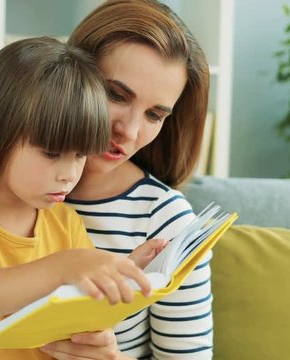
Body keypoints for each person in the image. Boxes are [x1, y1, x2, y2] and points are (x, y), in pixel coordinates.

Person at [0, 36, 167, 360]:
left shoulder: (65, 223)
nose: (68, 174)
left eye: (80, 155)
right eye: (51, 153)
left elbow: (75, 311)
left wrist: (120, 275)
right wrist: (68, 265)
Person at [39, 1, 212, 359]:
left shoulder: (167, 221)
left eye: (153, 114)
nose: (129, 131)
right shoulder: (1, 189)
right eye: (116, 94)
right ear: (69, 72)